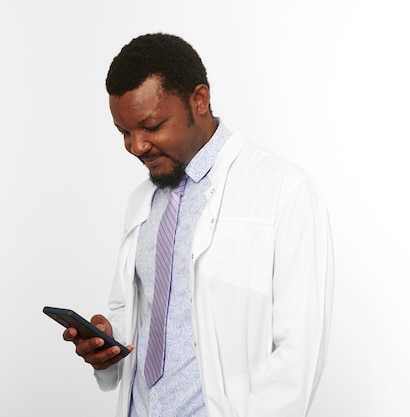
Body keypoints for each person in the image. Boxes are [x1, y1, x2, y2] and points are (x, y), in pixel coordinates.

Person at [62, 33, 334, 417]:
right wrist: (109, 341)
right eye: (124, 132)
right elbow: (140, 309)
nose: (136, 146)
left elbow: (300, 350)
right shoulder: (142, 201)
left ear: (199, 101)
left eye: (151, 125)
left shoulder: (283, 192)